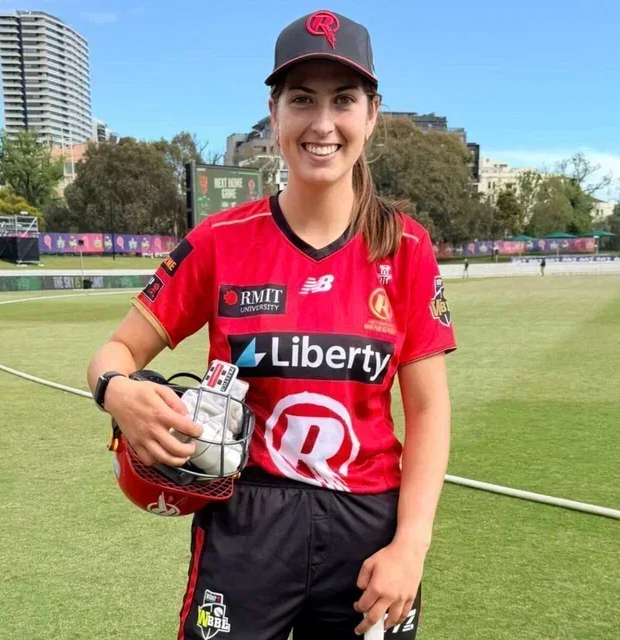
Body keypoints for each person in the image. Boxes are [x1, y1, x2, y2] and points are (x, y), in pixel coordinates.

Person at [87, 10, 454, 640]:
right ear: (275, 113)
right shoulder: (219, 242)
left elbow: (429, 412)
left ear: (371, 114)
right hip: (247, 520)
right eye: (301, 100)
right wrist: (117, 392)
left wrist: (411, 548)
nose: (322, 123)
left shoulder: (407, 248)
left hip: (369, 528)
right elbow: (115, 351)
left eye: (343, 100)